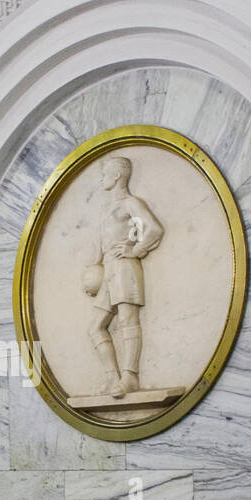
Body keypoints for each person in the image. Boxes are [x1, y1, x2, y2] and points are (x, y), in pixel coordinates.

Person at [83, 154, 163, 396]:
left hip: (124, 267)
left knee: (128, 320)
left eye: (105, 173)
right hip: (108, 269)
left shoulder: (130, 203)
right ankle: (112, 377)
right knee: (95, 327)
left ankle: (130, 377)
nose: (101, 179)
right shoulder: (106, 209)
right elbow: (99, 246)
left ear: (117, 175)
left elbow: (154, 228)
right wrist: (91, 272)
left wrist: (135, 250)